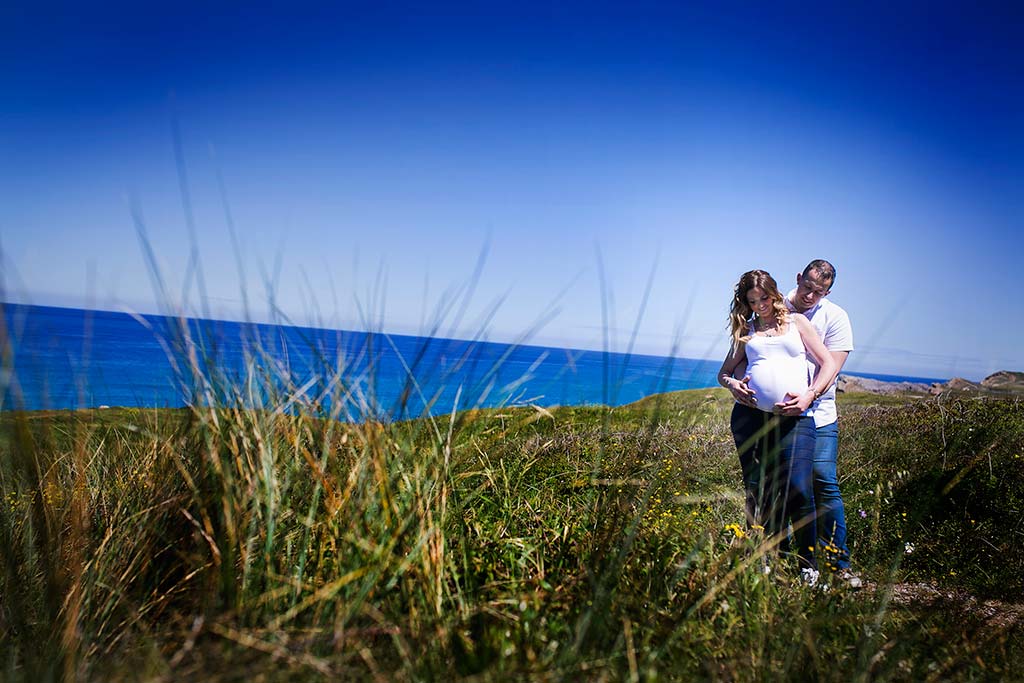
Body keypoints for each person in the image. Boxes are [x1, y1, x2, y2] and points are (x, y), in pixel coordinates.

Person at [718, 270, 837, 576]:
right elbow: (724, 372)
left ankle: (808, 566)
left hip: (795, 418)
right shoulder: (747, 330)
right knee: (758, 491)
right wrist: (733, 384)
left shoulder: (797, 323)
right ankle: (762, 562)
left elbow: (827, 364)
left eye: (764, 298)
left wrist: (810, 395)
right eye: (752, 301)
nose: (760, 305)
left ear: (774, 293)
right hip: (751, 418)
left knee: (798, 489)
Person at [776, 260, 857, 583]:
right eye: (807, 287)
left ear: (828, 292)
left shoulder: (835, 317)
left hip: (819, 415)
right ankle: (782, 560)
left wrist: (810, 394)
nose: (810, 295)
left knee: (823, 480)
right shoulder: (774, 305)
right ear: (799, 278)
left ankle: (838, 563)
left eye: (818, 292)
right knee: (781, 487)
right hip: (776, 416)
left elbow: (832, 366)